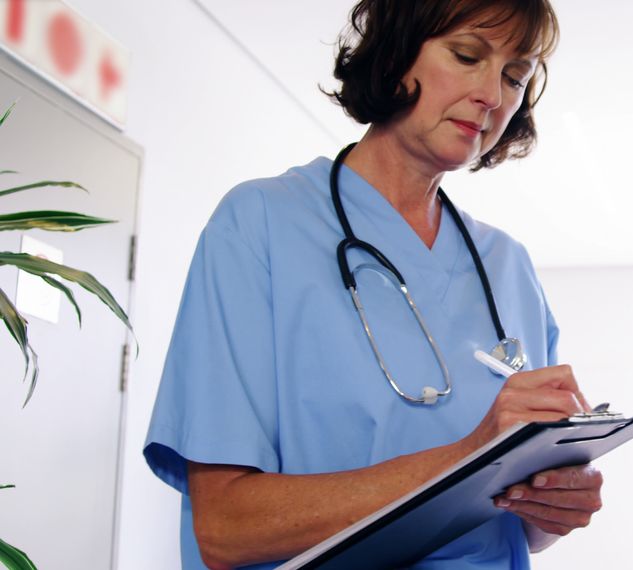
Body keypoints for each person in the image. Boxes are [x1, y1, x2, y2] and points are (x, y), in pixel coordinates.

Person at [143, 0, 604, 568]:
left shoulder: (508, 265)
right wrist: (470, 455)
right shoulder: (260, 224)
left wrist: (553, 506)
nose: (492, 94)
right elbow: (226, 527)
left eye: (515, 76)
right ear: (393, 53)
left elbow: (517, 520)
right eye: (467, 55)